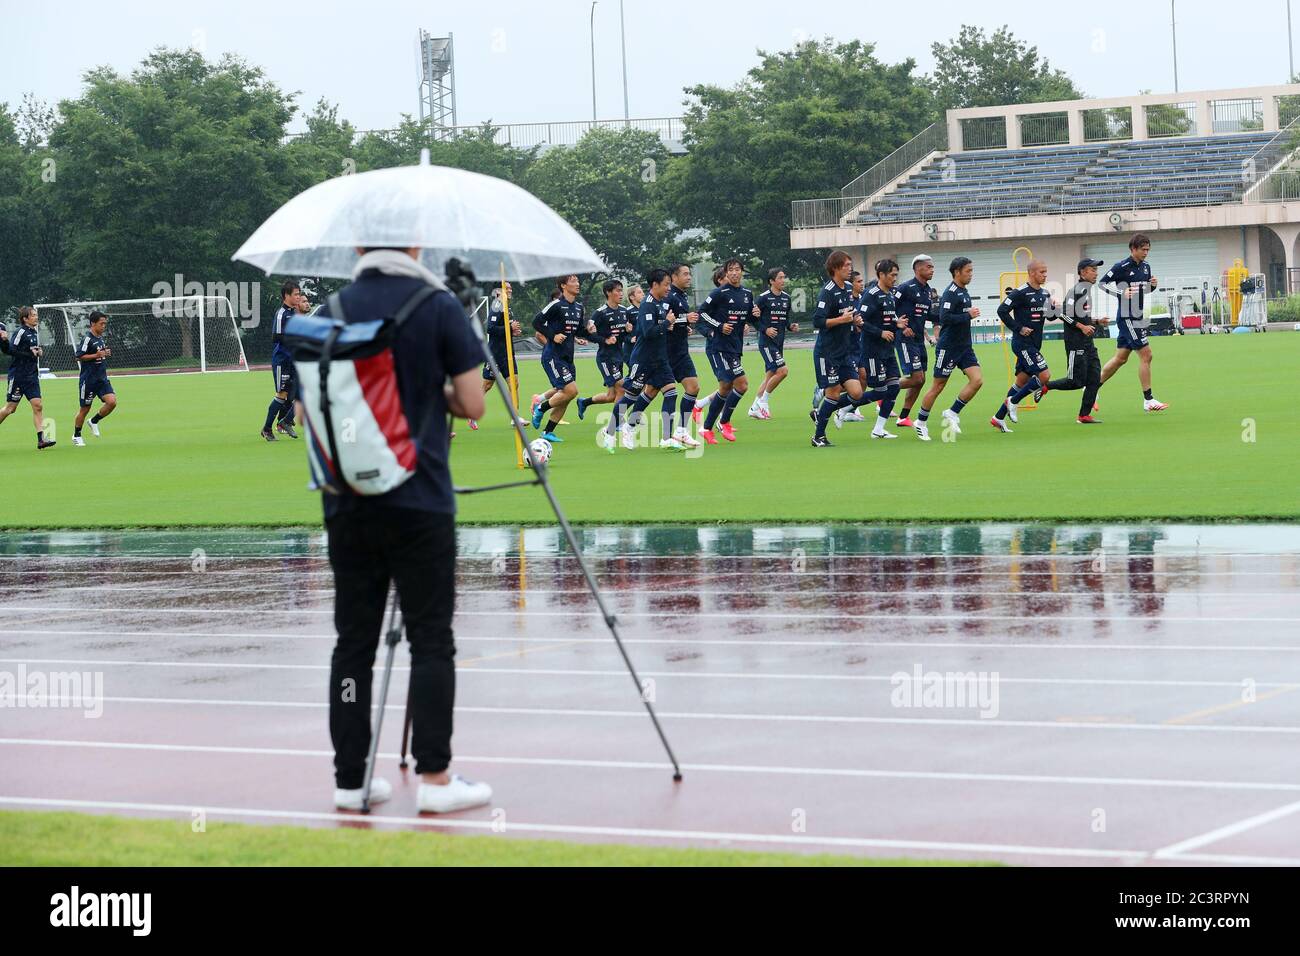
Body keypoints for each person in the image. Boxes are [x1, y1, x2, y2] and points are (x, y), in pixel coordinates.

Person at [314, 245, 489, 815]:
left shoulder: (331, 308)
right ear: (414, 246)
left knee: (353, 644)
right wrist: (422, 393)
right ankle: (436, 780)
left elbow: (305, 411)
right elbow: (472, 403)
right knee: (431, 638)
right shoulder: (438, 305)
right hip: (420, 498)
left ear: (359, 247)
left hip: (347, 501)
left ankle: (351, 779)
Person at [603, 268, 678, 452]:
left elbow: (657, 329)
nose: (669, 288)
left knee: (671, 392)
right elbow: (648, 332)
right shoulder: (648, 304)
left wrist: (668, 326)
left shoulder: (661, 303)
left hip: (660, 360)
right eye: (666, 284)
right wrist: (667, 323)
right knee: (630, 396)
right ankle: (610, 431)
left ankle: (666, 439)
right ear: (655, 285)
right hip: (643, 360)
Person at [912, 257, 984, 443]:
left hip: (964, 347)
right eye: (968, 271)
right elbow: (944, 318)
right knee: (938, 386)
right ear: (957, 272)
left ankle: (952, 412)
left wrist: (967, 315)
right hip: (949, 347)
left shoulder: (964, 292)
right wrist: (967, 315)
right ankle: (920, 422)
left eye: (971, 270)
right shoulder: (950, 293)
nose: (971, 274)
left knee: (977, 380)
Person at [1098, 233, 1169, 412]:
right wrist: (1121, 293)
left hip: (1137, 316)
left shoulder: (1146, 267)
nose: (1146, 253)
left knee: (1120, 359)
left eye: (1148, 249)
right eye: (1143, 249)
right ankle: (1148, 400)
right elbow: (1102, 284)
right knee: (1147, 355)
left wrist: (1152, 285)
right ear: (1133, 249)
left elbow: (1144, 290)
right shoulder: (1121, 266)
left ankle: (1092, 386)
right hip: (1127, 317)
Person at [697, 258, 760, 445]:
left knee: (727, 387)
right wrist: (719, 326)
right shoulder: (719, 292)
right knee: (741, 385)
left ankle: (706, 427)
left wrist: (755, 316)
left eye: (737, 269)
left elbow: (749, 318)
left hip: (735, 347)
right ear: (725, 273)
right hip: (719, 347)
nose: (734, 273)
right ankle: (723, 422)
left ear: (742, 272)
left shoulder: (747, 294)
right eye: (730, 270)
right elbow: (702, 313)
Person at [990, 258, 1055, 433]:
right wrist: (1018, 328)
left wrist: (1055, 310)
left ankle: (998, 417)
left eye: (1046, 272)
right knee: (1044, 375)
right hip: (1023, 344)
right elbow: (1001, 310)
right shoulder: (1020, 292)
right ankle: (1014, 401)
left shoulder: (1045, 294)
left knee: (1021, 381)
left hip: (1035, 344)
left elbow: (1049, 317)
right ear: (1032, 273)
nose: (1045, 275)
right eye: (1042, 272)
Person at [809, 250, 861, 448]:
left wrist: (854, 320)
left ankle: (821, 412)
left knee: (856, 393)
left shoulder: (848, 287)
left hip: (844, 351)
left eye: (850, 264)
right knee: (832, 393)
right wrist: (842, 320)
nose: (850, 268)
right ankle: (818, 436)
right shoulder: (827, 291)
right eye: (846, 265)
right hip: (827, 352)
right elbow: (818, 321)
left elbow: (848, 313)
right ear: (835, 268)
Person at [1046, 258, 1107, 424]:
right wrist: (1082, 327)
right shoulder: (1077, 290)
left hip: (1088, 342)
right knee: (1075, 381)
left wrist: (1096, 321)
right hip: (1075, 343)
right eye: (1092, 270)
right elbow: (1063, 314)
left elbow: (1081, 316)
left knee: (1095, 378)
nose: (1096, 273)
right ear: (1082, 272)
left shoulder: (1086, 291)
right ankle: (1045, 386)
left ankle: (1084, 415)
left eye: (1096, 270)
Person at [530, 274, 584, 443]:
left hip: (568, 357)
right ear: (563, 285)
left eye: (577, 280)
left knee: (566, 395)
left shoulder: (579, 308)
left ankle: (547, 432)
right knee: (571, 391)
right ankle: (541, 407)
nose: (577, 283)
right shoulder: (556, 304)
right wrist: (552, 336)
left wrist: (592, 333)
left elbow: (580, 330)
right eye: (573, 281)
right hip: (553, 356)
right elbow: (536, 322)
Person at [854, 259, 903, 440]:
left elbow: (887, 320)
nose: (895, 278)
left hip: (888, 349)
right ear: (881, 275)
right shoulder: (871, 294)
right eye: (892, 275)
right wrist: (881, 332)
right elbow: (860, 321)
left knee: (894, 387)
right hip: (873, 349)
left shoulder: (890, 294)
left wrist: (896, 324)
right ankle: (842, 407)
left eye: (896, 275)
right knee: (880, 391)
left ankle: (878, 429)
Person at [0, 306, 56, 449]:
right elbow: (9, 350)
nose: (36, 317)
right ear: (25, 319)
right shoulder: (20, 332)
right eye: (33, 315)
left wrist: (38, 352)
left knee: (38, 406)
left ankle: (41, 440)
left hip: (32, 376)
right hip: (18, 376)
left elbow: (32, 352)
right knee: (10, 409)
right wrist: (29, 354)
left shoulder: (34, 333)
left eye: (36, 315)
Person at [893, 254, 938, 428]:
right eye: (929, 267)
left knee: (921, 379)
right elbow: (889, 307)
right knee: (916, 378)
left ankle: (903, 417)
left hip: (919, 340)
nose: (932, 270)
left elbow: (928, 315)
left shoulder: (927, 290)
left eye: (932, 267)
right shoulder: (905, 288)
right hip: (905, 338)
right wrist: (902, 327)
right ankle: (885, 388)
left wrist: (955, 317)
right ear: (918, 268)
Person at [576, 279, 628, 425]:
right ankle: (618, 422)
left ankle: (584, 402)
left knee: (611, 396)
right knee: (622, 387)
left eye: (621, 290)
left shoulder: (624, 311)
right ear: (608, 293)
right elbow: (588, 334)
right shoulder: (599, 313)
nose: (620, 293)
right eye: (617, 290)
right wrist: (604, 340)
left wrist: (630, 332)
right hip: (606, 358)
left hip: (619, 356)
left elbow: (624, 334)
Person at [749, 267, 797, 419]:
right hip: (766, 342)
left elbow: (786, 319)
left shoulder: (786, 298)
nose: (783, 280)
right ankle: (764, 402)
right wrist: (765, 330)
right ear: (771, 281)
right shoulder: (763, 298)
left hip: (779, 342)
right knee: (783, 371)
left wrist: (791, 326)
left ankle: (754, 407)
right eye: (780, 278)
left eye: (784, 277)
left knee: (770, 375)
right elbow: (752, 319)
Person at [663, 264, 702, 448]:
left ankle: (680, 431)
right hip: (666, 352)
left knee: (693, 387)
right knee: (644, 392)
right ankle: (623, 425)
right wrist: (684, 320)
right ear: (674, 277)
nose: (689, 277)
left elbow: (674, 322)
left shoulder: (681, 296)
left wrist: (683, 326)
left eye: (689, 274)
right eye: (685, 274)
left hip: (681, 351)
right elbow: (661, 320)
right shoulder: (668, 296)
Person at [473, 282, 521, 431]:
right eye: (507, 288)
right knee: (487, 385)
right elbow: (490, 329)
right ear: (498, 291)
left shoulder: (507, 307)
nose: (510, 290)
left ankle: (515, 418)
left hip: (508, 353)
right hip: (495, 353)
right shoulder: (496, 305)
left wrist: (513, 331)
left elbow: (506, 327)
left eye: (510, 287)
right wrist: (509, 327)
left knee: (514, 383)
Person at [261, 279, 302, 441]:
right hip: (282, 361)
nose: (299, 297)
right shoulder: (281, 314)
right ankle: (266, 429)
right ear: (287, 295)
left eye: (299, 294)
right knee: (282, 395)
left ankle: (285, 421)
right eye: (296, 294)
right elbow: (276, 337)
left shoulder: (294, 312)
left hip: (294, 361)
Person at [72, 310, 117, 446]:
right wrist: (96, 356)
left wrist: (104, 353)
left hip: (101, 379)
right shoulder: (87, 339)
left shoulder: (100, 338)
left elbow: (100, 353)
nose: (104, 326)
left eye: (105, 324)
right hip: (89, 380)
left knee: (112, 402)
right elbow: (78, 356)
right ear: (93, 324)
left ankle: (94, 421)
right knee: (85, 409)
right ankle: (76, 435)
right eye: (101, 324)